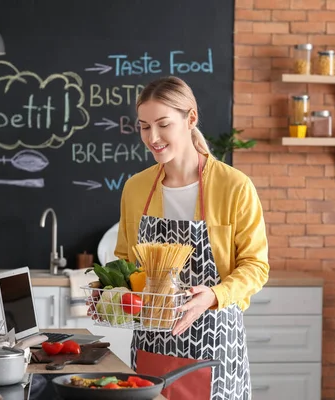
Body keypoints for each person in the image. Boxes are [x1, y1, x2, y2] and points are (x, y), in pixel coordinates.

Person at [113, 76, 270, 400]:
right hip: (151, 343)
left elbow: (256, 266)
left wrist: (213, 295)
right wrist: (111, 293)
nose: (152, 137)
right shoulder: (136, 188)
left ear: (191, 119)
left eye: (163, 124)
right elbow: (126, 261)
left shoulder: (234, 187)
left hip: (212, 341)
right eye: (144, 126)